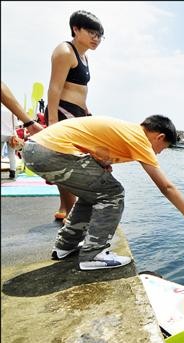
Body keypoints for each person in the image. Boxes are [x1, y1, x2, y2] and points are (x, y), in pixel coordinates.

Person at [22, 114, 184, 270]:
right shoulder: (140, 139)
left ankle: (65, 246)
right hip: (50, 152)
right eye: (164, 148)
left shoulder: (127, 130)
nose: (160, 152)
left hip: (34, 149)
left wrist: (99, 163)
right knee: (113, 193)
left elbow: (91, 144)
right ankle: (93, 254)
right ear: (159, 137)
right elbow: (166, 187)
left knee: (94, 193)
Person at [46, 10, 104, 222]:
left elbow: (79, 87)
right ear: (75, 29)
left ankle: (65, 207)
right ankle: (70, 214)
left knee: (70, 161)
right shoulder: (64, 51)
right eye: (91, 32)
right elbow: (54, 88)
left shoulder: (84, 57)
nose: (96, 38)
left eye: (99, 35)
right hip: (62, 112)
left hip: (78, 113)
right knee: (67, 162)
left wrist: (86, 110)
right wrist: (53, 123)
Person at [1, 81, 45, 178]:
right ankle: (12, 172)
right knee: (11, 154)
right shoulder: (10, 111)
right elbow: (16, 124)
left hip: (1, 134)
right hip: (11, 134)